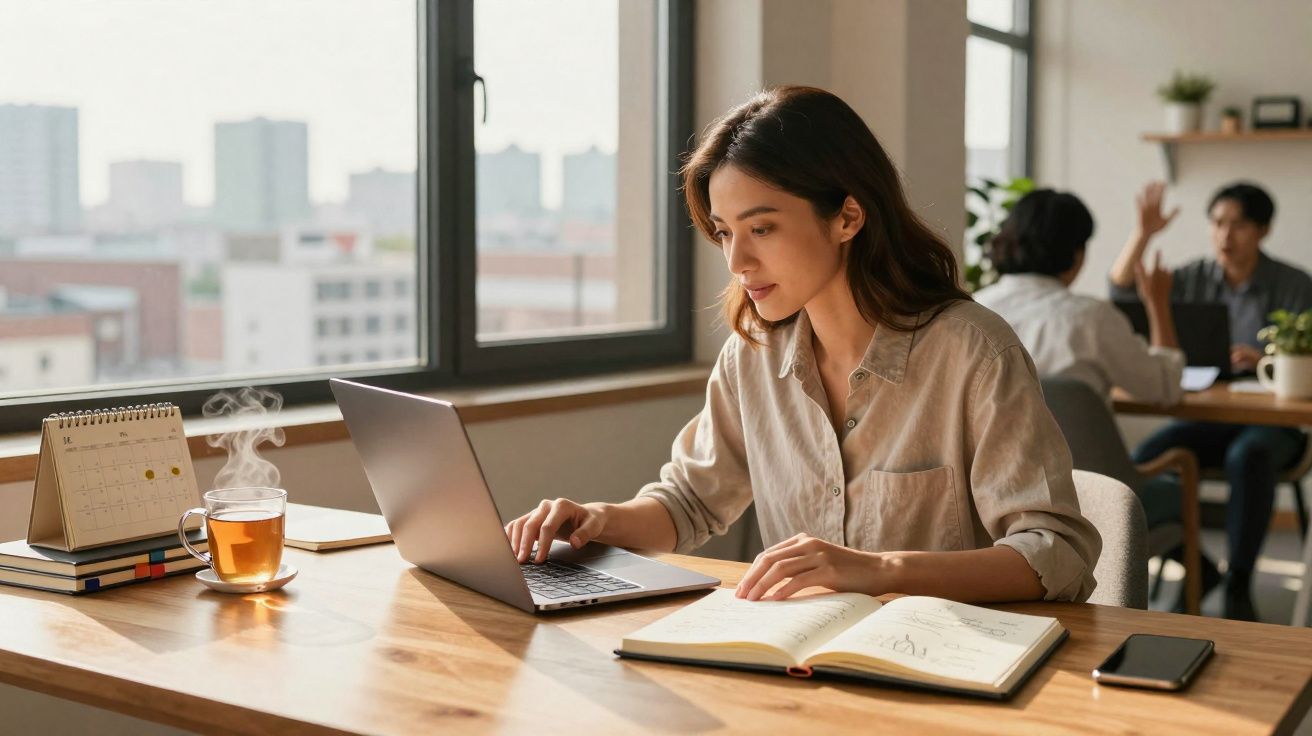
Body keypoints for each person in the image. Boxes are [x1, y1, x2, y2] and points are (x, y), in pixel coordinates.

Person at [504, 86, 1100, 604]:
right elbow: (689, 502)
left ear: (847, 217)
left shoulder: (973, 351)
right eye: (724, 232)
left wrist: (877, 571)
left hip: (951, 667)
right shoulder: (753, 355)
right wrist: (593, 521)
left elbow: (1056, 552)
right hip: (802, 669)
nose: (737, 260)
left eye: (761, 228)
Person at [1109, 180, 1312, 620]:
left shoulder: (1295, 285)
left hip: (1275, 425)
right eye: (1217, 223)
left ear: (1263, 230)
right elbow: (1122, 294)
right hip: (1207, 415)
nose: (1225, 235)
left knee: (1249, 456)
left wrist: (1267, 358)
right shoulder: (1195, 275)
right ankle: (1198, 567)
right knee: (1145, 457)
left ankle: (1238, 580)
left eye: (1238, 225)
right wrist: (1143, 234)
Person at [975, 188, 1186, 545]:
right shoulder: (1089, 318)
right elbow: (1164, 388)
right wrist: (1158, 305)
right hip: (1085, 501)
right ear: (1076, 254)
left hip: (993, 503)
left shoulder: (972, 311)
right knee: (1175, 488)